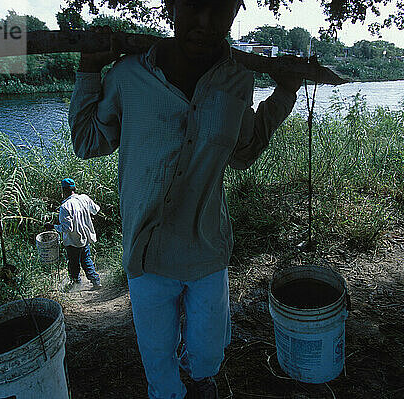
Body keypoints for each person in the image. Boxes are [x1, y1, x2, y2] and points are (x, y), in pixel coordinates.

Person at [69, 0, 302, 397]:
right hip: (148, 253)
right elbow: (89, 141)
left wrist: (286, 92)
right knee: (158, 360)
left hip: (207, 250)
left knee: (208, 353)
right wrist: (89, 69)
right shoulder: (129, 76)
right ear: (170, 8)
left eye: (220, 10)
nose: (205, 22)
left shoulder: (236, 81)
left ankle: (202, 382)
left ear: (234, 14)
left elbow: (243, 152)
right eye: (193, 7)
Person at [46, 178, 102, 290]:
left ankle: (76, 283)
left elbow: (67, 228)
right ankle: (96, 281)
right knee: (86, 259)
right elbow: (96, 209)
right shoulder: (84, 198)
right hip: (85, 237)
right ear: (74, 189)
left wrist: (52, 226)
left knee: (73, 263)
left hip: (73, 240)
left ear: (64, 190)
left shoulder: (65, 206)